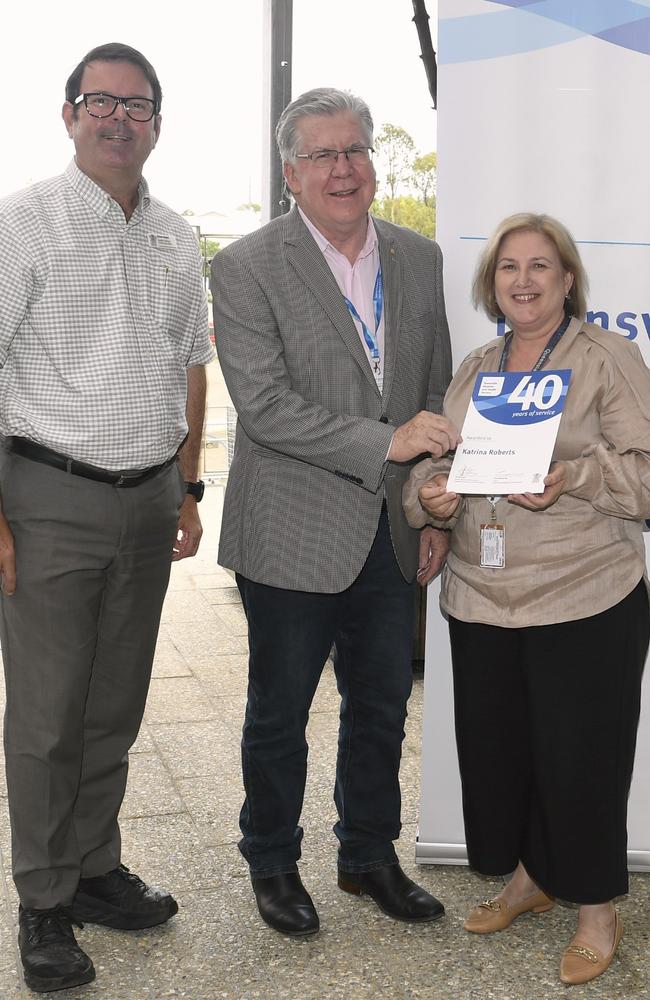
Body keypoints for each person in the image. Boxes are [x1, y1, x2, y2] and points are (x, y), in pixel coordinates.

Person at [210, 87, 457, 937]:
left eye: (355, 150)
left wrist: (430, 509)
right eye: (322, 155)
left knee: (383, 704)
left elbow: (433, 392)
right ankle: (272, 860)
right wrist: (384, 447)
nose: (344, 169)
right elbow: (265, 406)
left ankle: (368, 856)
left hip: (395, 528)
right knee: (278, 712)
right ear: (291, 173)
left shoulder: (419, 259)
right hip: (291, 530)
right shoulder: (245, 266)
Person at [0, 43, 214, 993]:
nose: (118, 117)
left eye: (137, 104)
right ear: (69, 114)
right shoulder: (25, 225)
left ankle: (93, 871)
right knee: (47, 715)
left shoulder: (174, 234)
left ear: (158, 122)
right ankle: (42, 900)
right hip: (48, 496)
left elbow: (191, 360)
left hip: (148, 501)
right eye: (100, 100)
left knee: (114, 706)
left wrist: (189, 484)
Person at [403, 213, 650, 986]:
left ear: (568, 280)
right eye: (509, 266)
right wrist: (431, 499)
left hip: (584, 596)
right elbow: (431, 471)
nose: (523, 279)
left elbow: (643, 475)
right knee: (503, 756)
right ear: (492, 284)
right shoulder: (477, 369)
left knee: (581, 761)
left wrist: (571, 477)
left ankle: (595, 909)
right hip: (482, 598)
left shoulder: (609, 359)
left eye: (541, 265)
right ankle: (530, 879)